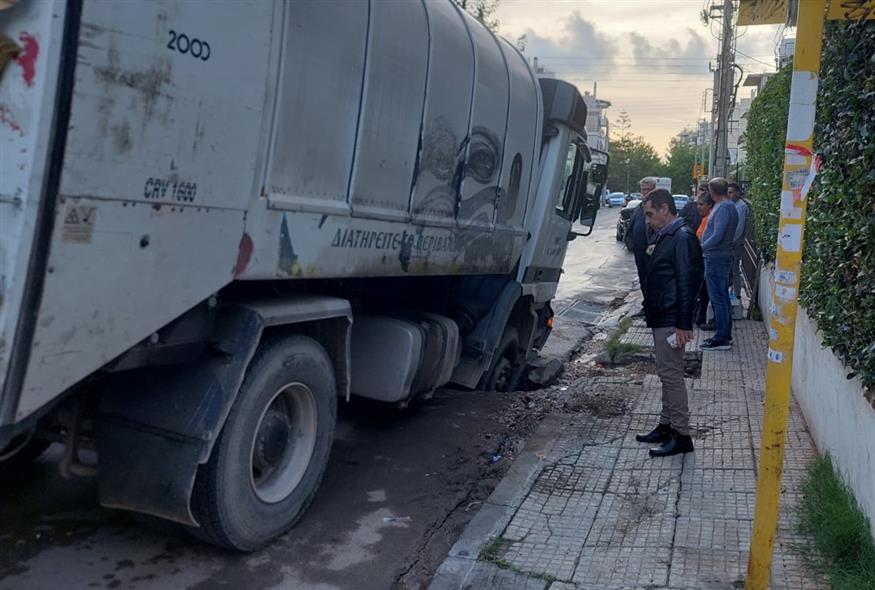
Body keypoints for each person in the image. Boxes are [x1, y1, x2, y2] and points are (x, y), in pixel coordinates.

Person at [635, 189, 703, 457]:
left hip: (671, 318)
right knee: (666, 373)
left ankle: (682, 435)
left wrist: (683, 323)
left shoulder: (682, 237)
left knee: (672, 375)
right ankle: (666, 425)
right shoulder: (669, 235)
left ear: (665, 209)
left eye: (651, 214)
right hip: (663, 315)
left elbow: (689, 282)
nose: (648, 220)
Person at [699, 177, 738, 350]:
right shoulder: (727, 206)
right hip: (717, 256)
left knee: (718, 298)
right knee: (721, 297)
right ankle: (723, 334)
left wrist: (701, 248)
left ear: (712, 190)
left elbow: (718, 235)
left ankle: (722, 337)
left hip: (716, 257)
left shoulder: (723, 208)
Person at [624, 177, 657, 316]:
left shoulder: (657, 206)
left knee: (652, 280)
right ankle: (646, 306)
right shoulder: (640, 206)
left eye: (648, 189)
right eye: (643, 189)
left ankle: (652, 308)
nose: (645, 192)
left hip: (651, 250)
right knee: (643, 279)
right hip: (639, 250)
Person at [694, 191, 715, 328]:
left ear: (709, 205)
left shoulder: (710, 219)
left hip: (707, 258)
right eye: (697, 204)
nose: (698, 207)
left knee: (707, 290)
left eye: (701, 204)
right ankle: (700, 317)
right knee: (703, 290)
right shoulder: (704, 218)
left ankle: (702, 318)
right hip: (702, 258)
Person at [728, 182, 749, 301]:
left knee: (734, 268)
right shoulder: (731, 204)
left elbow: (738, 229)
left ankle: (736, 295)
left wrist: (730, 241)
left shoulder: (741, 207)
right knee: (730, 268)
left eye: (731, 192)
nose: (729, 195)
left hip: (735, 244)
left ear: (737, 193)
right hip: (730, 242)